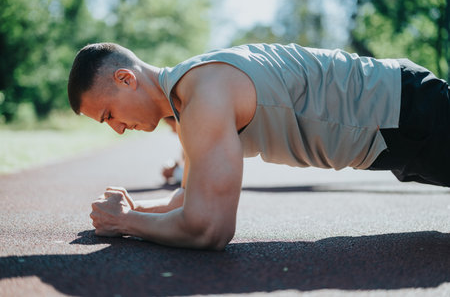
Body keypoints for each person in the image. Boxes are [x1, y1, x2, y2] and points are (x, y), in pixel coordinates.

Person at [67, 42, 450, 250]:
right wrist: (136, 208)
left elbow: (209, 229)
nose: (117, 129)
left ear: (125, 79)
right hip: (394, 130)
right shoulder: (190, 98)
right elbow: (189, 201)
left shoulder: (205, 97)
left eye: (108, 115)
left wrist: (125, 222)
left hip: (406, 112)